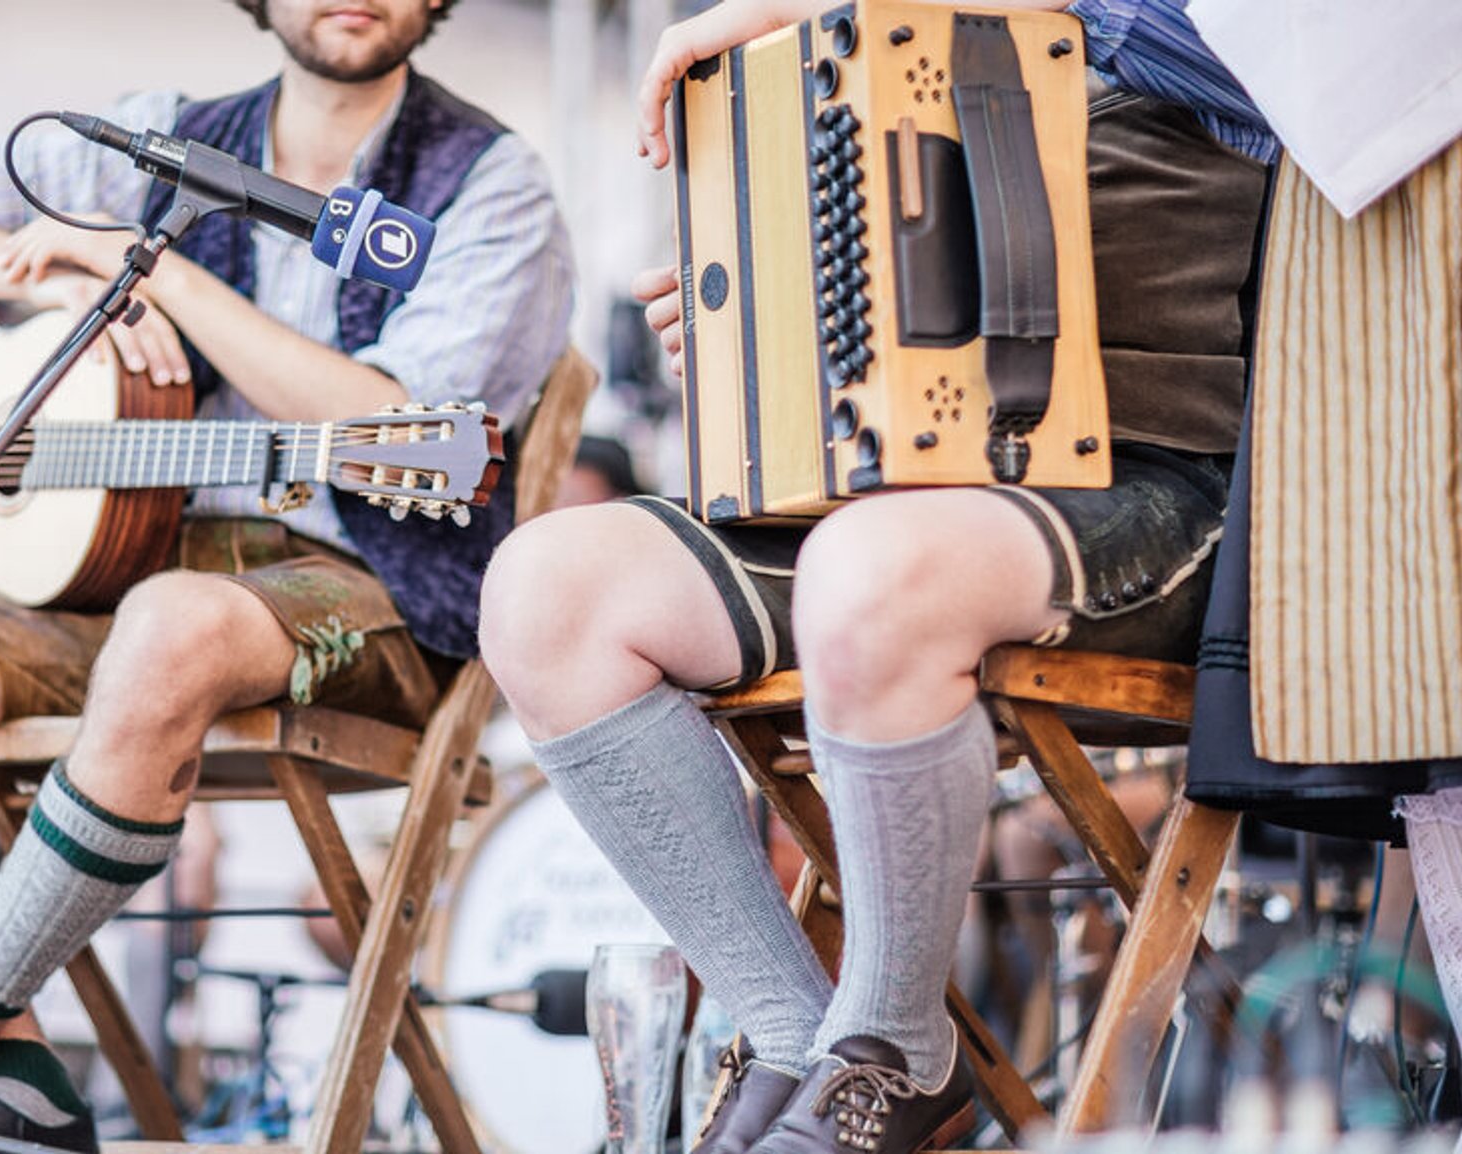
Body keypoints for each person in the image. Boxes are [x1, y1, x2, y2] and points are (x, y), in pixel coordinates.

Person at [0, 3, 573, 1152]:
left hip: (372, 590)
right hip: (123, 576)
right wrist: (52, 285)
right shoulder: (166, 137)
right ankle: (20, 1074)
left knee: (173, 622)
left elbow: (382, 420)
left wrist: (154, 279)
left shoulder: (492, 186)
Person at [476, 2, 1270, 1152]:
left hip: (1155, 494)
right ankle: (794, 1033)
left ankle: (896, 1043)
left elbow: (1268, 87)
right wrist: (759, 311)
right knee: (546, 586)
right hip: (896, 506)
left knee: (864, 566)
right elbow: (910, 289)